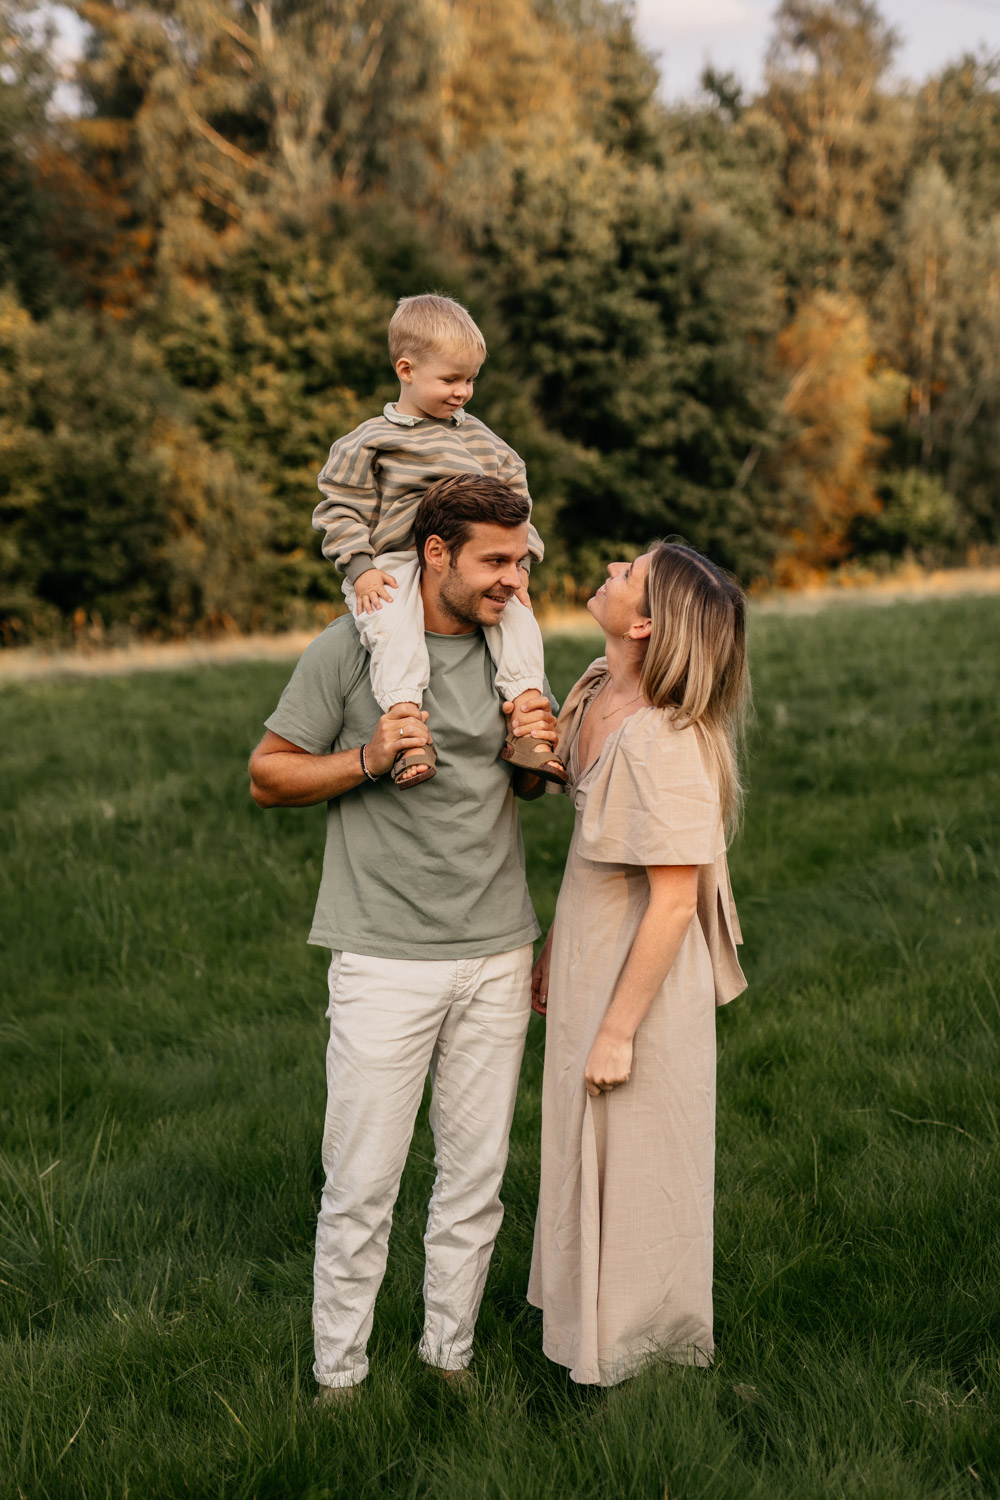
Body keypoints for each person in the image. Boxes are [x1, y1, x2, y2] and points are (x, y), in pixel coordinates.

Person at [248, 476, 558, 1403]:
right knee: (362, 1186)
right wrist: (368, 760)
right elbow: (268, 776)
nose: (515, 578)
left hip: (498, 949)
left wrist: (539, 753)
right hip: (383, 956)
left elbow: (526, 790)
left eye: (521, 559)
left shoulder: (515, 651)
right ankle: (339, 1379)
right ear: (436, 554)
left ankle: (447, 1361)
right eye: (494, 561)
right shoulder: (352, 648)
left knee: (475, 1180)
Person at [527, 541, 750, 1387]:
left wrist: (619, 1030)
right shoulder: (599, 688)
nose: (613, 568)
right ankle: (591, 1332)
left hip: (643, 975)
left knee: (643, 1155)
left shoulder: (664, 740)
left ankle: (651, 1353)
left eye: (631, 572)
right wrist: (556, 946)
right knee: (583, 1142)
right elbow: (593, 851)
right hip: (592, 946)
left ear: (647, 623)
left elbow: (669, 899)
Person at [312, 291, 566, 788]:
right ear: (406, 370)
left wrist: (519, 566)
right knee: (392, 630)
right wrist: (360, 568)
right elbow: (339, 506)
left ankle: (527, 725)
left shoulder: (483, 441)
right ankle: (409, 735)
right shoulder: (370, 440)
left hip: (468, 569)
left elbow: (517, 498)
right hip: (395, 563)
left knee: (519, 623)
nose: (464, 391)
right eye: (451, 379)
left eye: (471, 379)